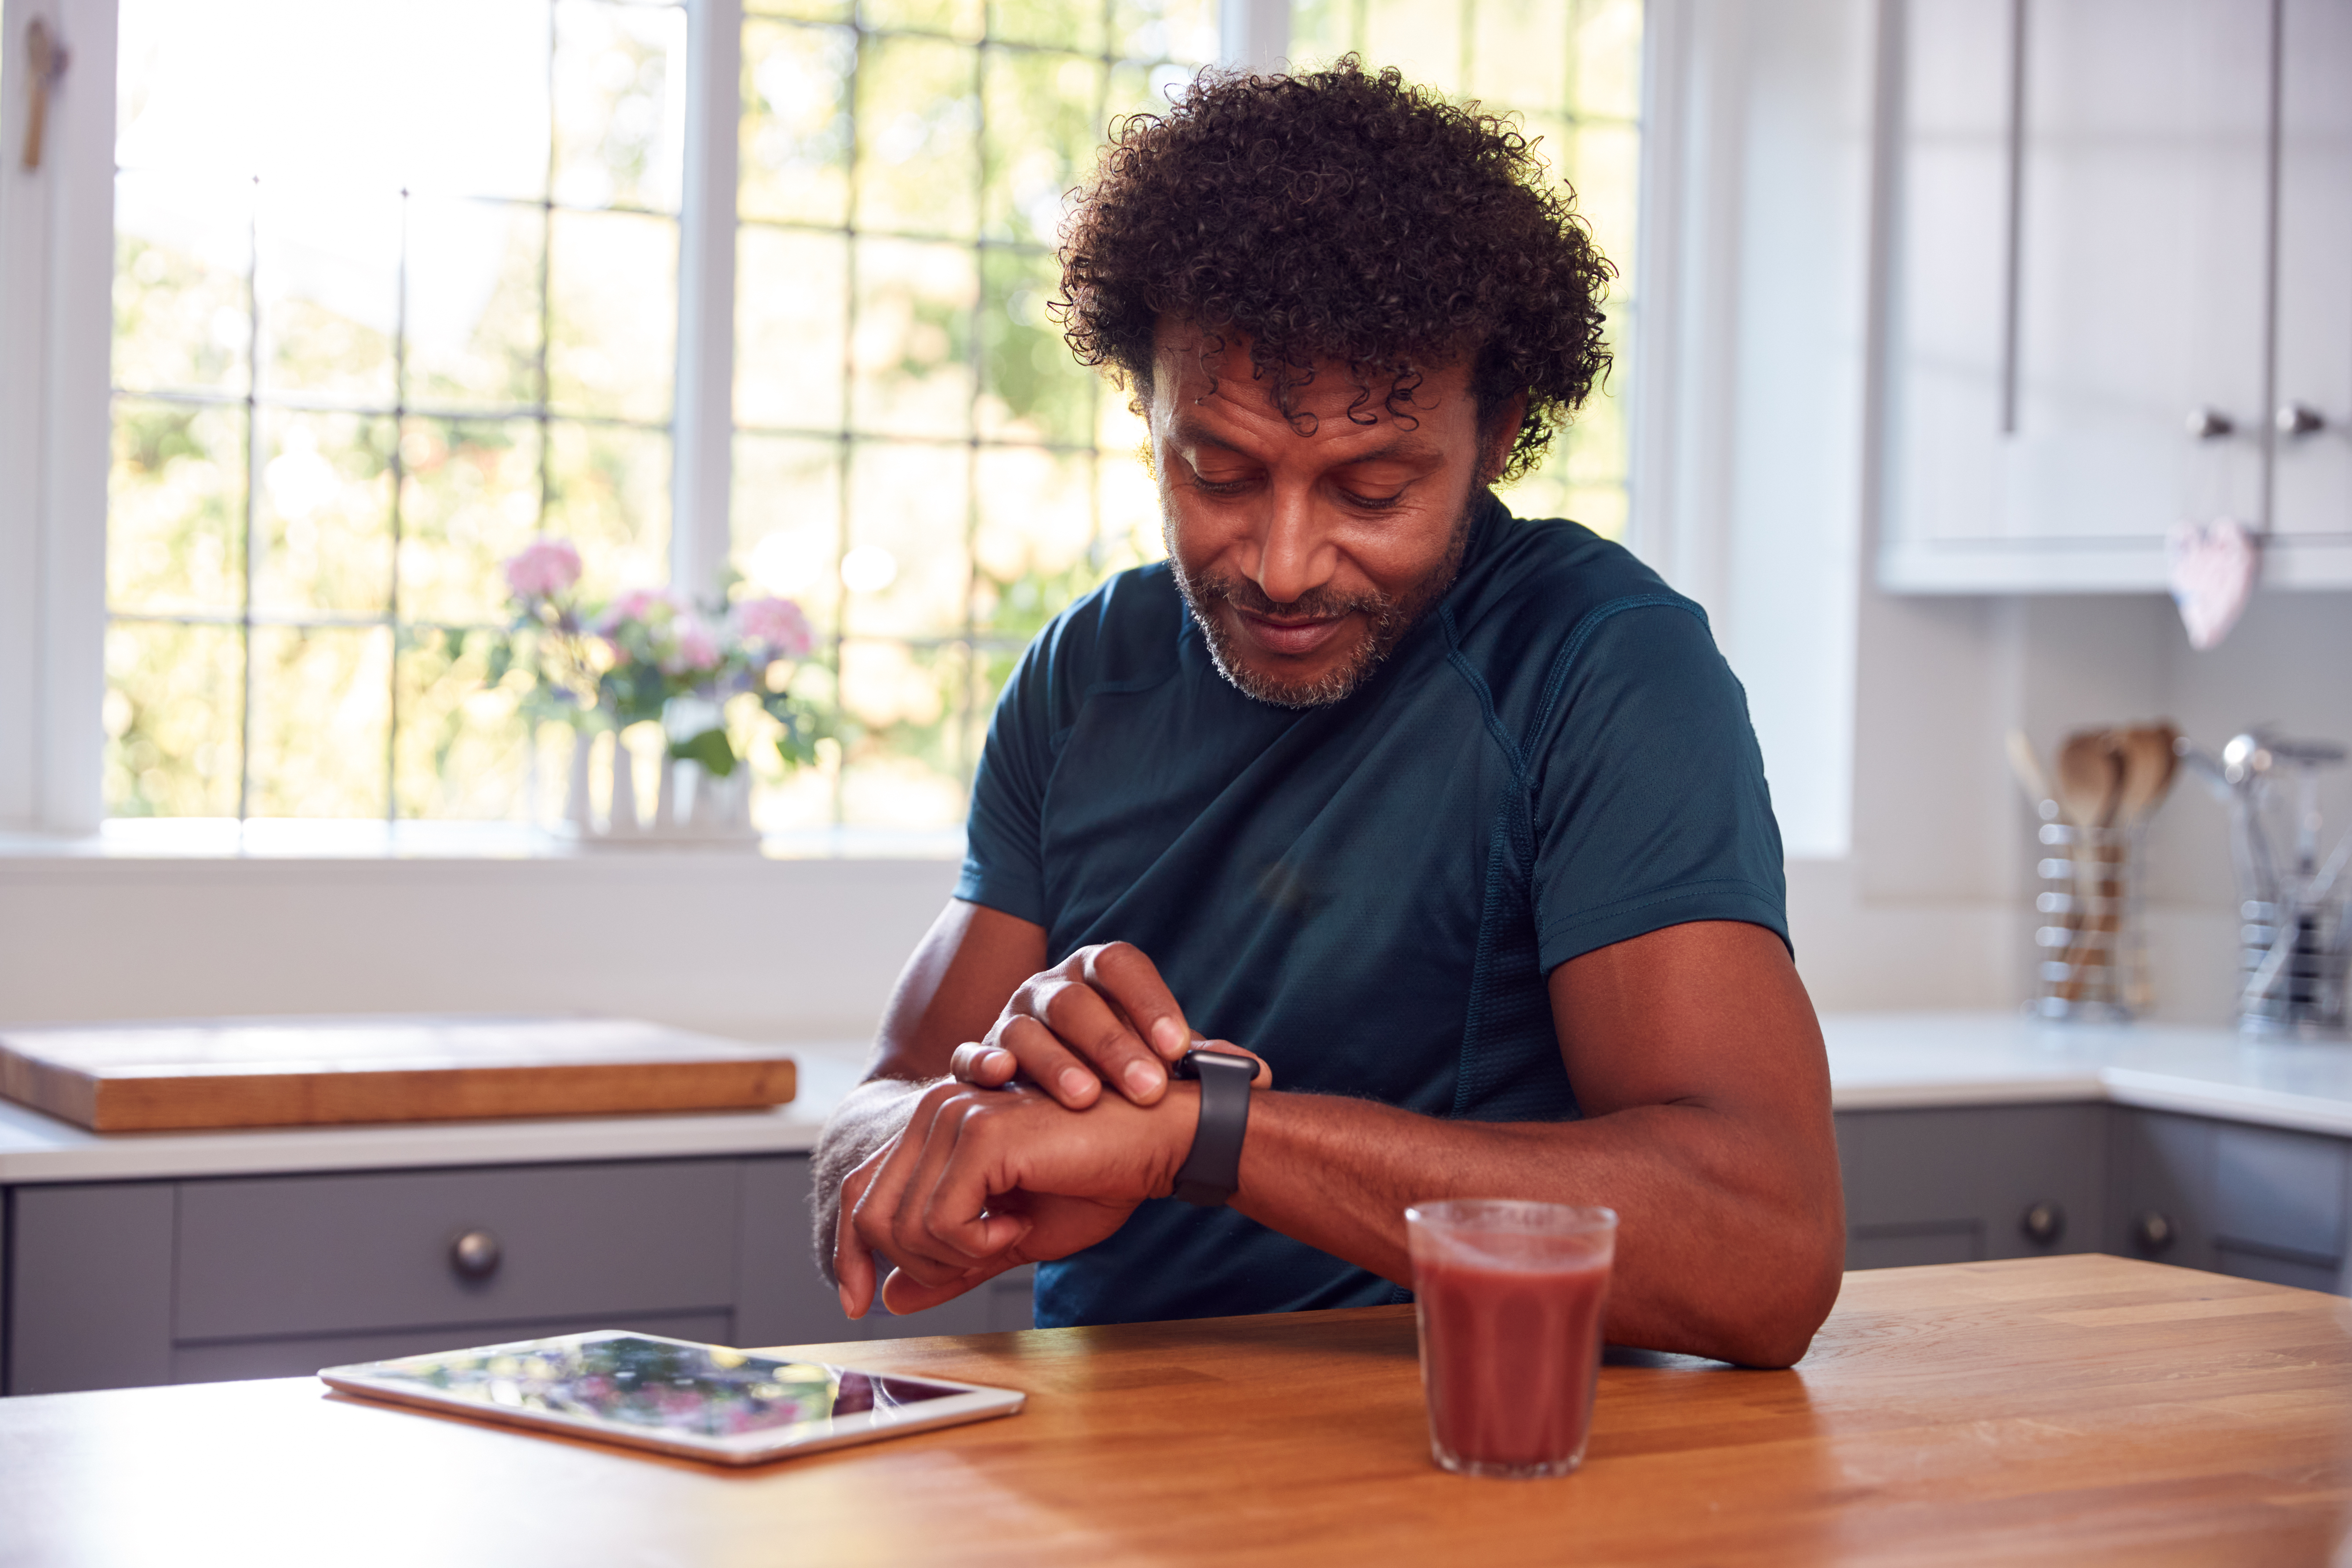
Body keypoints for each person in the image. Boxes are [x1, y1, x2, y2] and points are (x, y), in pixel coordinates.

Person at [811, 59, 1844, 1368]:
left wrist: (1206, 1134)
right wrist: (948, 1156)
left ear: (1498, 430)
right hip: (1109, 1467)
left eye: (1371, 488)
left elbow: (1767, 1253)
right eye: (1221, 473)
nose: (1284, 564)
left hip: (1474, 1459)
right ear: (1147, 419)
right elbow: (874, 1115)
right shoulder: (1086, 675)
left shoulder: (1602, 665)